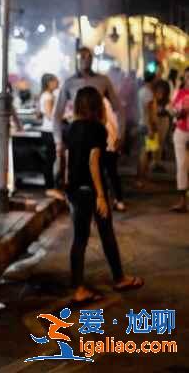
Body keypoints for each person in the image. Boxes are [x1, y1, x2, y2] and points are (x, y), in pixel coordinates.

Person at [62, 86, 143, 304]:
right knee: (105, 232)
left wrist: (65, 187)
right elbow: (93, 162)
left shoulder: (70, 128)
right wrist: (100, 195)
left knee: (80, 239)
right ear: (97, 106)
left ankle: (80, 286)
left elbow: (66, 159)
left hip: (74, 190)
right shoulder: (97, 129)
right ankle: (119, 278)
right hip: (90, 190)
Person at [53, 47, 125, 180]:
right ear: (77, 59)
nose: (86, 60)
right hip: (77, 131)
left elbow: (118, 108)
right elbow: (57, 114)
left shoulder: (103, 80)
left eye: (89, 56)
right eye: (83, 56)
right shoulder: (69, 83)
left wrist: (120, 134)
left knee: (98, 166)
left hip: (97, 129)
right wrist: (58, 141)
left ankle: (100, 195)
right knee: (76, 169)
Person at [38, 74, 64, 199]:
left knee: (51, 159)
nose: (58, 81)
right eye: (55, 80)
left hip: (48, 131)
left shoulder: (47, 95)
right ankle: (49, 188)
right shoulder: (48, 96)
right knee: (50, 159)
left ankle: (51, 186)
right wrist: (63, 117)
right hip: (49, 131)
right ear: (49, 83)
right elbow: (50, 115)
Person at [169, 69, 189, 212]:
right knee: (181, 166)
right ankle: (183, 202)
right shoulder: (179, 93)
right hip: (181, 132)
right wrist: (178, 114)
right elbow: (172, 110)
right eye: (188, 77)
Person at [102, 96, 126, 212]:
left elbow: (112, 122)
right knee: (112, 173)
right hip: (111, 141)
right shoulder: (114, 102)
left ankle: (114, 200)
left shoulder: (103, 102)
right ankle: (118, 200)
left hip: (107, 141)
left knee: (108, 173)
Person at [136, 70, 157, 188]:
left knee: (143, 153)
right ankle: (141, 179)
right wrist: (151, 128)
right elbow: (149, 112)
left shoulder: (141, 91)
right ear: (153, 80)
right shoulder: (148, 93)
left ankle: (141, 178)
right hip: (146, 125)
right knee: (145, 153)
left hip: (142, 123)